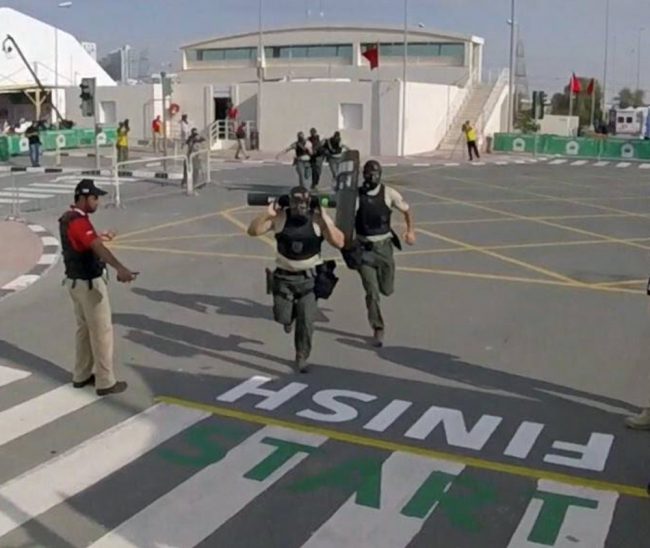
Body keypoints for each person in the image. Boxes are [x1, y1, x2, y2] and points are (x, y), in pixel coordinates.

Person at [247, 186, 345, 372]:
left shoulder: (317, 220)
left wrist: (325, 219)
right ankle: (288, 317)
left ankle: (302, 355)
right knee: (282, 316)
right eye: (296, 202)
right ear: (290, 203)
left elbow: (339, 242)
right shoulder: (281, 218)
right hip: (284, 278)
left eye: (304, 202)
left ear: (309, 203)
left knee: (306, 321)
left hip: (308, 280)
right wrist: (266, 214)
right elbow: (253, 231)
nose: (300, 206)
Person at [59, 179, 138, 395]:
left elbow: (85, 242)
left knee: (83, 330)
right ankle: (105, 382)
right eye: (95, 198)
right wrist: (120, 268)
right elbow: (94, 246)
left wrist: (101, 237)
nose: (98, 202)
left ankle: (81, 375)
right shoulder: (79, 222)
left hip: (75, 283)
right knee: (101, 332)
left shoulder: (69, 218)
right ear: (83, 198)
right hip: (89, 285)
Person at [350, 160, 416, 347]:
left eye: (375, 173)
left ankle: (383, 288)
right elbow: (345, 218)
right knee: (371, 291)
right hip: (364, 249)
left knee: (387, 290)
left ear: (380, 175)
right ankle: (378, 326)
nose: (371, 177)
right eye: (368, 173)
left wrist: (410, 231)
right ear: (364, 175)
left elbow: (407, 210)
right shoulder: (356, 196)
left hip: (384, 247)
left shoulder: (388, 193)